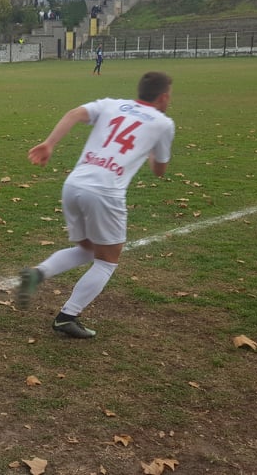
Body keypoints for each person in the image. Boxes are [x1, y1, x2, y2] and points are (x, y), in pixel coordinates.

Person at [18, 72, 175, 339]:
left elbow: (74, 113)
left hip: (74, 184)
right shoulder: (163, 123)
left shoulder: (111, 104)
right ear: (163, 97)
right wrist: (149, 152)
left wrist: (49, 144)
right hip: (105, 192)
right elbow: (159, 170)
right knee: (107, 261)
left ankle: (38, 273)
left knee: (89, 249)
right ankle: (68, 316)